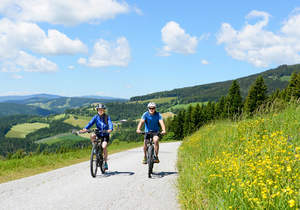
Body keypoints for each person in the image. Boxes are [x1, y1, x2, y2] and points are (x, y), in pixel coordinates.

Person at [80, 103, 113, 170]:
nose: (100, 111)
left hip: (105, 135)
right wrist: (85, 129)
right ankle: (95, 148)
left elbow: (110, 124)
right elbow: (90, 123)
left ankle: (105, 162)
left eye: (101, 110)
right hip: (99, 133)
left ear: (104, 110)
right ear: (97, 110)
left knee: (104, 146)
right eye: (99, 110)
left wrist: (110, 129)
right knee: (92, 135)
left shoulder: (107, 117)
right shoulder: (95, 117)